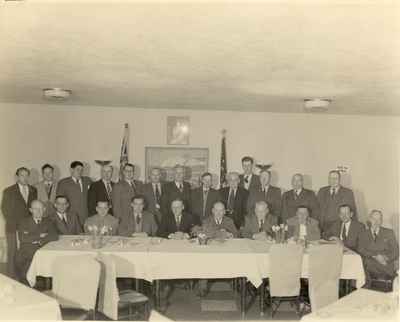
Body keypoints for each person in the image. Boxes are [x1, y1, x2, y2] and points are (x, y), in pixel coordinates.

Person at [1, 167, 37, 279]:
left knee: (26, 251)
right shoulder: (8, 190)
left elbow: (34, 208)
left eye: (27, 175)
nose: (25, 178)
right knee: (12, 252)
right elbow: (5, 209)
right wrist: (17, 224)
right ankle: (11, 278)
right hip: (13, 227)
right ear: (17, 176)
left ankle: (25, 276)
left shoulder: (33, 190)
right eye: (22, 175)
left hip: (28, 227)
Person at [16, 200, 58, 284]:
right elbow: (23, 238)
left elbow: (54, 236)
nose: (38, 211)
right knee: (26, 280)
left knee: (55, 273)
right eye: (35, 209)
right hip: (27, 255)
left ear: (44, 209)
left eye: (41, 208)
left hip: (44, 253)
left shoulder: (49, 221)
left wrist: (40, 241)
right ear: (31, 210)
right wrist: (40, 235)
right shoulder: (23, 222)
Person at [358, 210, 399, 285]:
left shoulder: (389, 232)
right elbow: (360, 249)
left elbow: (396, 251)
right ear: (369, 219)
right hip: (369, 266)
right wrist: (376, 256)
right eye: (374, 219)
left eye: (379, 219)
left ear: (381, 221)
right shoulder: (363, 233)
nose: (376, 222)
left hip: (385, 265)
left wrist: (385, 258)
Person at [56, 161, 92, 227]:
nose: (80, 172)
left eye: (81, 170)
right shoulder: (63, 183)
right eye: (78, 169)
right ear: (71, 170)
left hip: (86, 217)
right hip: (71, 218)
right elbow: (59, 202)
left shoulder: (88, 180)